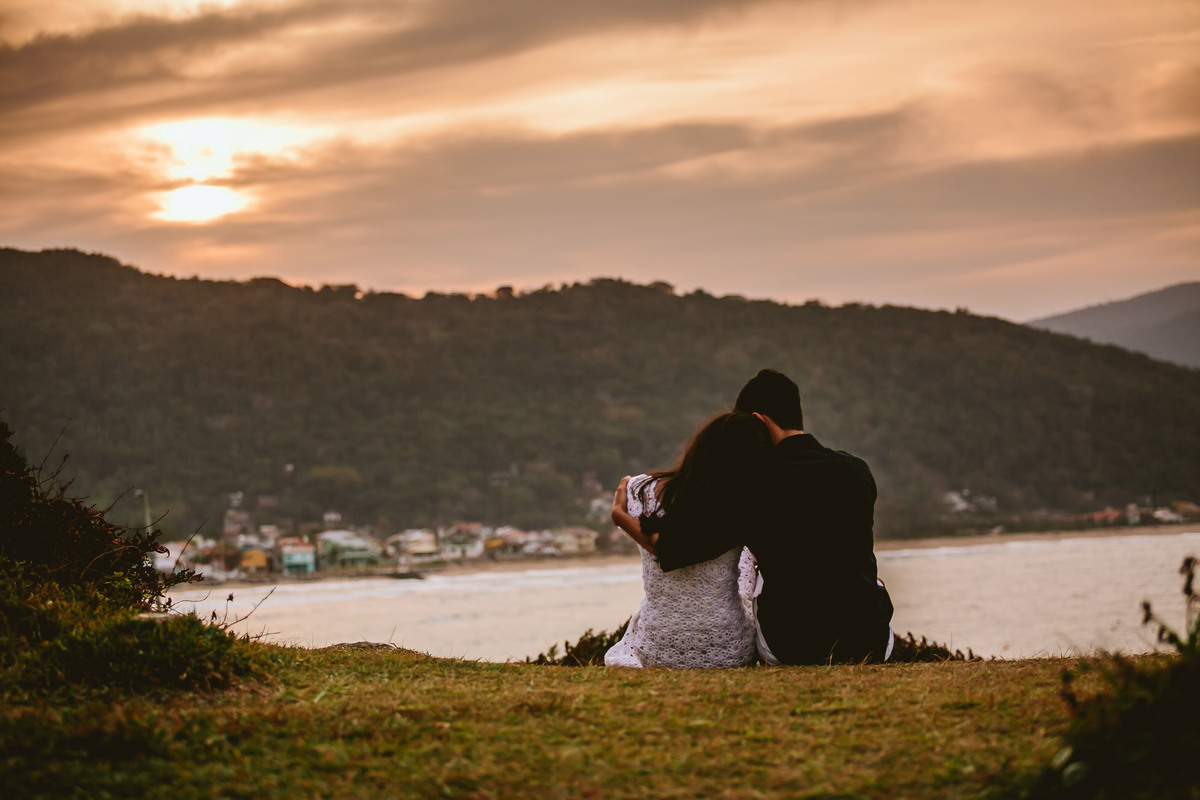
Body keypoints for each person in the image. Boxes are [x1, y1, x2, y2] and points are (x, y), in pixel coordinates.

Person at [634, 369, 894, 665]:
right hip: (870, 644)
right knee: (864, 577)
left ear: (758, 421)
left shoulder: (752, 483)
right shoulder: (856, 470)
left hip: (792, 648)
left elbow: (677, 551)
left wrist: (621, 517)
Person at [604, 411, 770, 668]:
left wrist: (619, 516)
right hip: (726, 650)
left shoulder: (638, 489)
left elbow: (670, 547)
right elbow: (674, 550)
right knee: (746, 559)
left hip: (656, 648)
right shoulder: (740, 507)